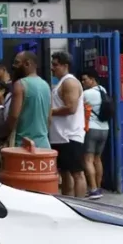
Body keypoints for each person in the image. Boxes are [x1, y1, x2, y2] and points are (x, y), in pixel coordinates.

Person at [49, 52, 86, 198]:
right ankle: (69, 202)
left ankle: (81, 204)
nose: (52, 68)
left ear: (65, 66)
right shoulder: (61, 83)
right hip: (60, 136)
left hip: (70, 135)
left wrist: (49, 112)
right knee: (65, 173)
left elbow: (71, 108)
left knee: (77, 173)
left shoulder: (69, 82)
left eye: (55, 65)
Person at [7, 51, 52, 150]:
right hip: (44, 145)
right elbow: (49, 118)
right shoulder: (46, 85)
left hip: (23, 145)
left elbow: (14, 116)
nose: (14, 66)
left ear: (27, 64)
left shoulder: (20, 84)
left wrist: (6, 134)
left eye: (17, 62)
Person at [80, 70, 110, 199]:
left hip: (91, 129)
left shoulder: (86, 94)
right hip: (104, 129)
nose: (83, 82)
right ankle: (98, 187)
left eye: (85, 79)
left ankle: (93, 189)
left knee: (88, 160)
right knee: (97, 159)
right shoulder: (103, 90)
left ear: (92, 80)